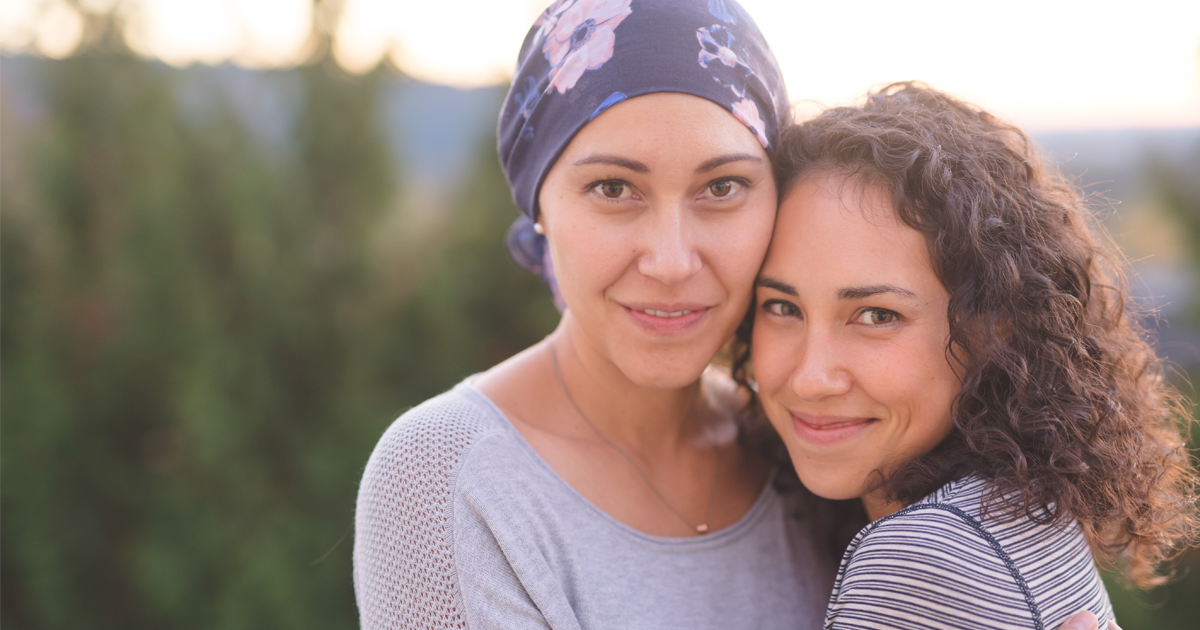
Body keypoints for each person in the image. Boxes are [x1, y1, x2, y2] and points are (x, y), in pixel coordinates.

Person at [353, 1, 842, 628]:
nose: (670, 261)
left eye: (722, 188)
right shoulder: (448, 476)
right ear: (540, 209)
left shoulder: (806, 445)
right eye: (614, 189)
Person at [745, 82, 1199, 629]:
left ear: (993, 327)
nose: (811, 377)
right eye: (781, 307)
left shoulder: (923, 559)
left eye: (877, 315)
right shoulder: (1015, 511)